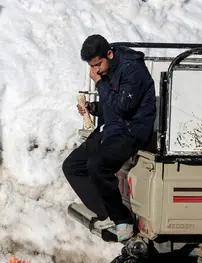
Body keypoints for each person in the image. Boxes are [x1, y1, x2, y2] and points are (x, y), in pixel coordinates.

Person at [62, 34, 156, 242]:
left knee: (98, 165)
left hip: (132, 131)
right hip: (112, 129)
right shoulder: (109, 70)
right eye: (92, 66)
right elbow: (112, 106)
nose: (95, 71)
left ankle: (122, 219)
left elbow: (123, 107)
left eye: (97, 64)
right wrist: (93, 108)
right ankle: (108, 213)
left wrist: (100, 85)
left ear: (110, 54)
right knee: (72, 166)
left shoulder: (133, 71)